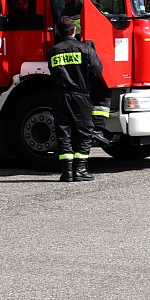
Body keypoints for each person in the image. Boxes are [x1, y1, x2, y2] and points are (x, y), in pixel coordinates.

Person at [48, 16, 104, 182]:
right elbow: (97, 71)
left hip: (59, 95)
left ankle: (67, 172)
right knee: (84, 132)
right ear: (74, 31)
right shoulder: (85, 49)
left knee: (63, 132)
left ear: (58, 32)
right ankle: (80, 169)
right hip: (80, 95)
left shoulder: (53, 51)